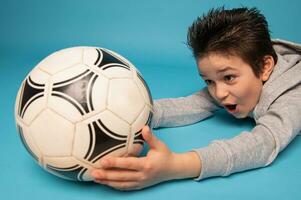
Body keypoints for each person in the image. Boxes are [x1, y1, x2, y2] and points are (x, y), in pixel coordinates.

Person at [91, 7, 301, 190]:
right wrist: (123, 116)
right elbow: (192, 104)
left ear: (265, 67)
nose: (218, 94)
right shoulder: (240, 72)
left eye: (229, 77)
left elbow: (263, 143)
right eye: (209, 81)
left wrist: (174, 166)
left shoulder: (294, 95)